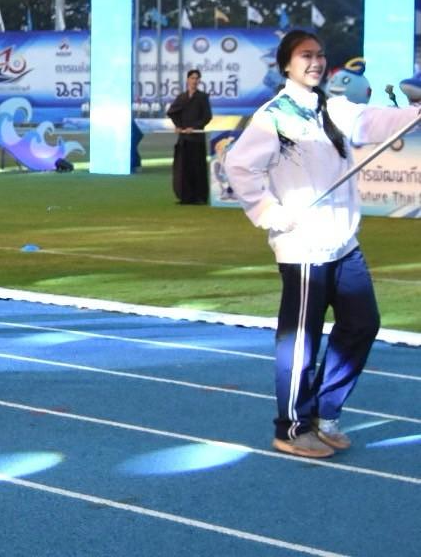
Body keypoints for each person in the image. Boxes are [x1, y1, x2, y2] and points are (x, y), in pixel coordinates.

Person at [224, 29, 420, 459]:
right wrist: (271, 213)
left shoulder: (332, 107)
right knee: (301, 342)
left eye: (319, 55)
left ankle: (325, 411)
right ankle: (292, 428)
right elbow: (238, 166)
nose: (314, 62)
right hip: (303, 249)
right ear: (286, 64)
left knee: (363, 323)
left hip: (343, 243)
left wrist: (414, 113)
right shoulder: (273, 116)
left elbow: (373, 121)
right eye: (304, 55)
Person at [167, 69, 213, 204]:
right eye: (192, 78)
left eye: (197, 78)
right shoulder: (181, 97)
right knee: (183, 169)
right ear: (188, 80)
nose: (194, 81)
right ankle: (185, 197)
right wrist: (178, 126)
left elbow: (207, 116)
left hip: (196, 138)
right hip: (184, 139)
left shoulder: (202, 97)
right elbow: (172, 112)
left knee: (197, 168)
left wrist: (194, 127)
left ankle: (199, 197)